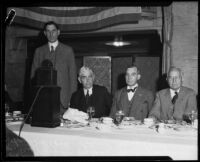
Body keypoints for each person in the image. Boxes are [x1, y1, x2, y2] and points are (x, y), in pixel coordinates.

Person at [31, 21, 77, 114]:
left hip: (63, 101)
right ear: (44, 33)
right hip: (44, 100)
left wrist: (72, 99)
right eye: (48, 31)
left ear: (58, 32)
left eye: (53, 31)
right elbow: (33, 78)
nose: (51, 34)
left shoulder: (68, 50)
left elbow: (72, 77)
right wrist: (35, 98)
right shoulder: (39, 51)